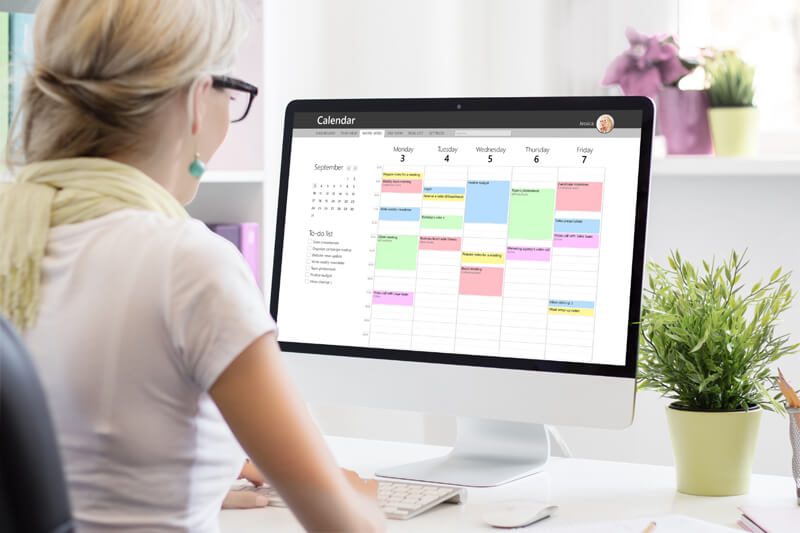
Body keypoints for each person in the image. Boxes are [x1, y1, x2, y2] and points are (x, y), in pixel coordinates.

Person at [0, 1, 385, 532]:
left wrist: (194, 473)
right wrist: (362, 500)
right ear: (199, 99)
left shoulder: (13, 233)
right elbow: (343, 525)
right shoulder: (188, 263)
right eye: (233, 89)